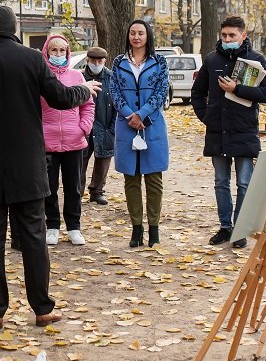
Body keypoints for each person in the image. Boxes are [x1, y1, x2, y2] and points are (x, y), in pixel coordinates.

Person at [0, 6, 99, 328]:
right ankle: (42, 308)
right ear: (15, 28)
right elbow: (60, 97)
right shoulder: (32, 59)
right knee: (33, 236)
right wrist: (84, 90)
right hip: (28, 164)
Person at [191, 15, 266, 249]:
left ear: (243, 36)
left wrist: (237, 89)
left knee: (245, 183)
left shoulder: (256, 60)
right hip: (217, 132)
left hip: (244, 131)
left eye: (232, 36)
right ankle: (225, 227)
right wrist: (206, 117)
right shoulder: (211, 59)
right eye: (224, 35)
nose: (227, 39)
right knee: (221, 182)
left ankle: (241, 229)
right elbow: (197, 93)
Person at [109, 20, 171, 249]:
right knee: (131, 178)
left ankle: (154, 229)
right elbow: (114, 91)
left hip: (151, 124)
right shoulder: (119, 62)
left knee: (154, 179)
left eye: (141, 33)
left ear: (148, 36)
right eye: (132, 33)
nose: (136, 37)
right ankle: (136, 228)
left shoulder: (159, 61)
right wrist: (129, 115)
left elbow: (161, 91)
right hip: (126, 125)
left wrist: (143, 114)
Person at [40, 34, 94, 246]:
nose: (58, 54)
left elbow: (88, 105)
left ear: (68, 53)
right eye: (54, 50)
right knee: (49, 187)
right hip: (48, 142)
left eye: (62, 51)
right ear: (47, 52)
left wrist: (84, 128)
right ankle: (52, 225)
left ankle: (74, 226)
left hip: (74, 140)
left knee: (73, 187)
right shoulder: (41, 77)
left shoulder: (77, 77)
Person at [82, 47, 115, 206]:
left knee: (103, 161)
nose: (96, 64)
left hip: (105, 126)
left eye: (99, 61)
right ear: (87, 60)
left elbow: (117, 105)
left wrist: (113, 128)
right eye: (93, 61)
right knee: (79, 162)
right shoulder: (79, 77)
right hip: (83, 129)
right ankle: (77, 191)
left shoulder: (111, 78)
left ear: (104, 61)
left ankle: (97, 191)